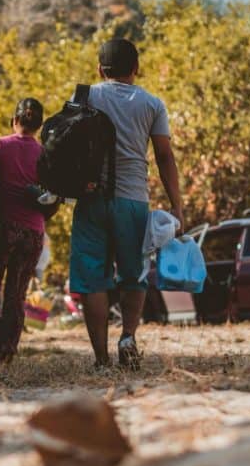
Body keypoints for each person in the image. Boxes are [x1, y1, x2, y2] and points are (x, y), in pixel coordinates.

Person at [69, 38, 183, 371]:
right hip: (133, 201)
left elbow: (66, 147)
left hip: (91, 200)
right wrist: (177, 206)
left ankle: (101, 359)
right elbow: (164, 156)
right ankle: (128, 336)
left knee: (93, 280)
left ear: (99, 69)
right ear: (136, 68)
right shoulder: (151, 104)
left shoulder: (84, 95)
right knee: (133, 275)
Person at [0, 98, 55, 368]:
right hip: (32, 233)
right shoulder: (45, 155)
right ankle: (4, 348)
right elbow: (52, 197)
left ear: (14, 120)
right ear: (39, 125)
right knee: (16, 294)